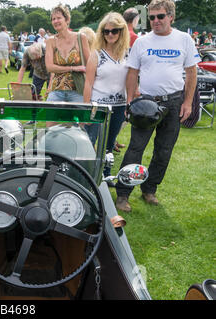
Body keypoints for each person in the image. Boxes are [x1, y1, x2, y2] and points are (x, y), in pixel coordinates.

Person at [115, 0, 200, 212]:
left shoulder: (184, 39)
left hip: (174, 102)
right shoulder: (142, 42)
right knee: (135, 148)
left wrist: (188, 102)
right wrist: (129, 101)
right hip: (147, 102)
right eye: (151, 17)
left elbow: (191, 72)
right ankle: (123, 194)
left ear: (171, 16)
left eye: (160, 16)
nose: (155, 21)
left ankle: (149, 189)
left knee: (164, 150)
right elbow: (132, 72)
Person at [83, 12, 130, 183]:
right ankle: (86, 175)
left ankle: (106, 175)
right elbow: (88, 83)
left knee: (109, 144)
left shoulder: (128, 54)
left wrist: (129, 103)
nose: (110, 34)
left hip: (119, 106)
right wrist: (87, 109)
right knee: (89, 142)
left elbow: (132, 80)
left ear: (121, 31)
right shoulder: (96, 54)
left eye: (114, 31)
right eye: (106, 31)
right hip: (98, 106)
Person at [45, 5, 90, 113]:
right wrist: (73, 68)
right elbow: (50, 67)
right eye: (53, 19)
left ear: (67, 19)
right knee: (50, 126)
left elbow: (89, 64)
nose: (55, 21)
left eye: (58, 18)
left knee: (79, 126)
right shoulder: (51, 41)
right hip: (56, 90)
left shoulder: (81, 37)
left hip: (78, 89)